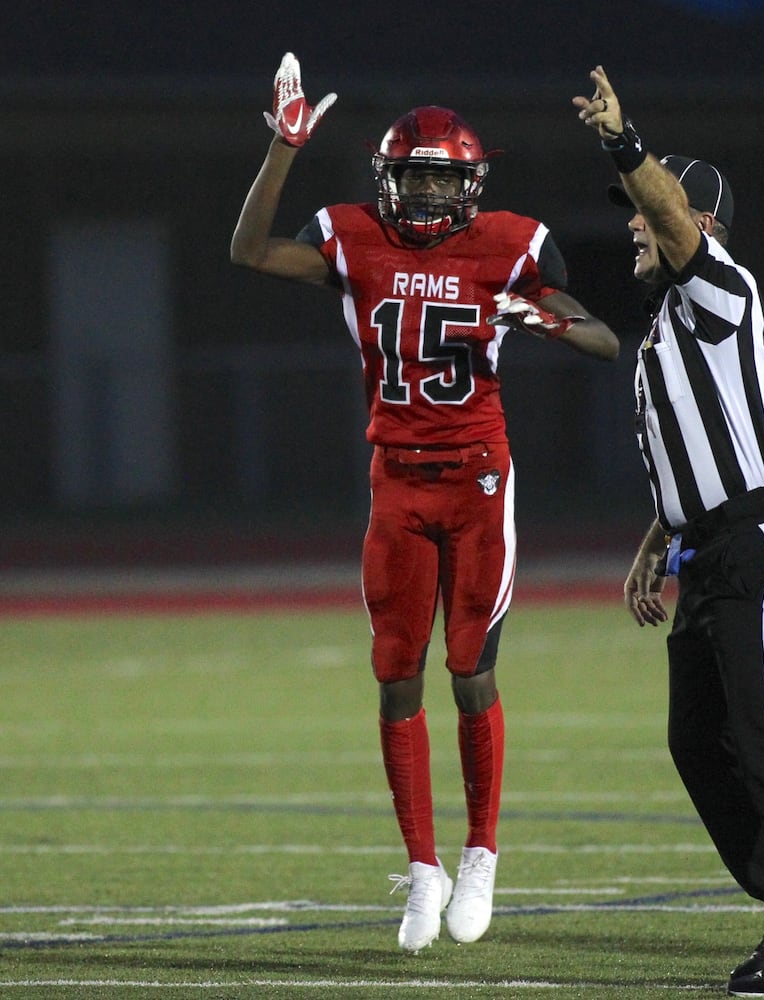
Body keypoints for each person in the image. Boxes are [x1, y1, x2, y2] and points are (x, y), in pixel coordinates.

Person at [232, 53, 619, 955]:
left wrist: (545, 319)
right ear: (386, 179)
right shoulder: (353, 235)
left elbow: (606, 339)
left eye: (443, 178)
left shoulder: (513, 245)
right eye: (412, 176)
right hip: (396, 480)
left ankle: (481, 853)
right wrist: (284, 150)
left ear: (472, 184)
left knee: (470, 668)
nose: (426, 194)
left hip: (480, 476)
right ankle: (425, 866)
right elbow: (248, 249)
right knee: (394, 675)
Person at [572, 66, 764, 997]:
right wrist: (654, 543)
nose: (628, 223)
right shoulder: (670, 323)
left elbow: (667, 215)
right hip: (710, 551)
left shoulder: (719, 290)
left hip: (761, 544)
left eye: (644, 211)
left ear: (697, 227)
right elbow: (696, 456)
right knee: (700, 741)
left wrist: (627, 146)